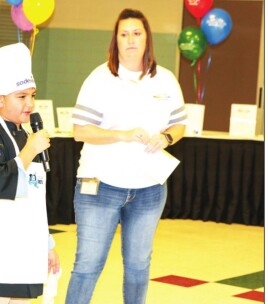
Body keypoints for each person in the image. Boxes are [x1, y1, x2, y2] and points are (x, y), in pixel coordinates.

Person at [65, 8, 187, 304]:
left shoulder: (166, 79)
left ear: (147, 39)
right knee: (88, 265)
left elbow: (180, 124)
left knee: (138, 266)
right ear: (115, 40)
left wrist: (166, 136)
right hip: (100, 185)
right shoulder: (100, 78)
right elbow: (80, 131)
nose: (130, 40)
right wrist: (122, 134)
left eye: (137, 33)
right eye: (124, 34)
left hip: (149, 190)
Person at [0, 43, 60, 304]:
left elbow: (36, 199)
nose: (30, 103)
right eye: (21, 96)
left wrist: (47, 243)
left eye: (32, 95)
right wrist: (29, 151)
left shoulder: (26, 135)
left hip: (27, 243)